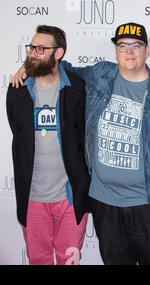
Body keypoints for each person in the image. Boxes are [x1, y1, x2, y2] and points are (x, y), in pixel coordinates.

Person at [11, 22, 150, 265]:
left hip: (148, 203)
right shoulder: (99, 75)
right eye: (122, 46)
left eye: (136, 45)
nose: (129, 51)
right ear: (115, 51)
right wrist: (29, 64)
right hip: (103, 201)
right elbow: (61, 67)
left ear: (147, 51)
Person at [6, 25, 90, 265]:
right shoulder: (17, 90)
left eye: (41, 49)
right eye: (32, 48)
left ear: (59, 53)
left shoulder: (78, 87)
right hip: (32, 197)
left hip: (70, 197)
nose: (33, 53)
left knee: (69, 261)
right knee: (38, 260)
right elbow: (18, 133)